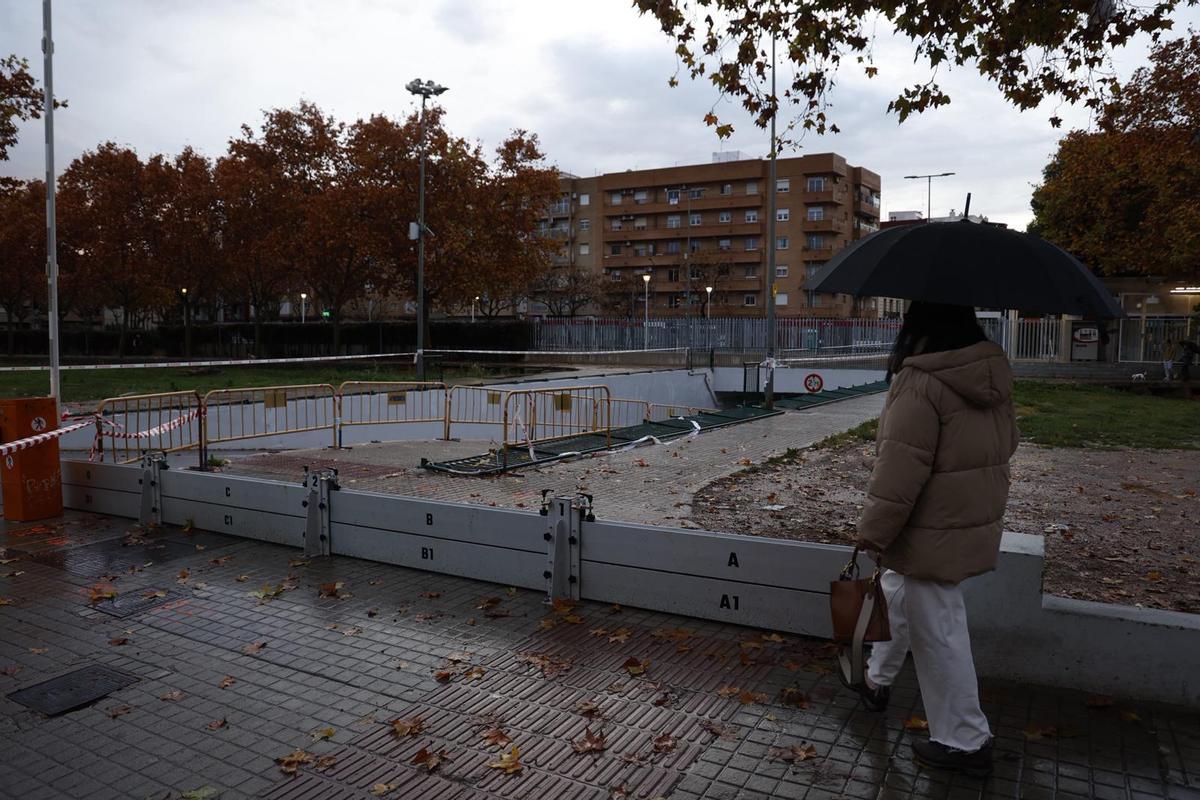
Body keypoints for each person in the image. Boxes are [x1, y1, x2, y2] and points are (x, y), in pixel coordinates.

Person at [849, 301, 1019, 778]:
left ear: (917, 327)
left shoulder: (920, 381)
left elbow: (899, 470)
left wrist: (872, 532)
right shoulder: (991, 373)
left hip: (928, 523)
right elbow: (1008, 444)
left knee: (939, 629)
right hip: (967, 515)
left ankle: (964, 739)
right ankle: (876, 680)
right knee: (900, 592)